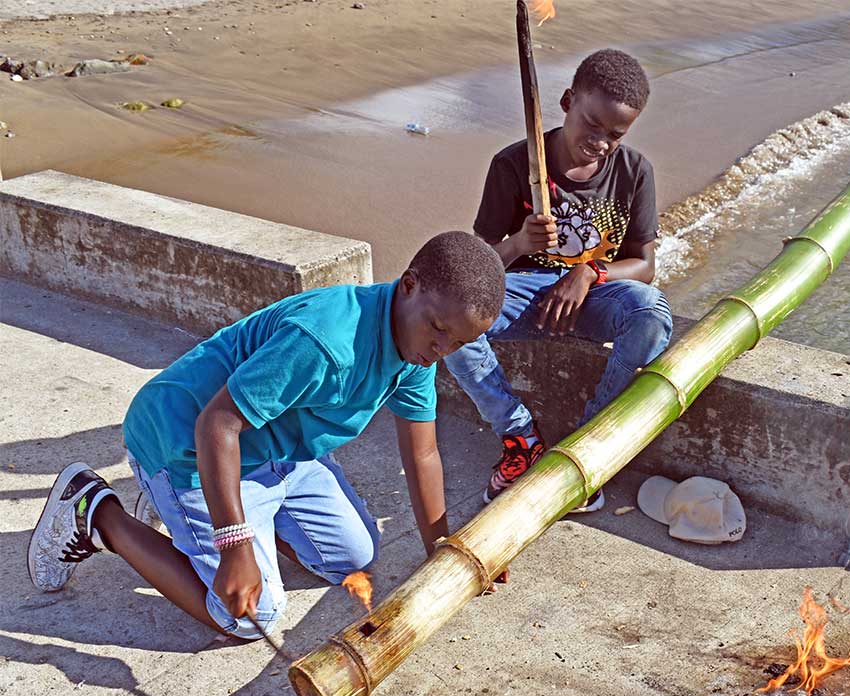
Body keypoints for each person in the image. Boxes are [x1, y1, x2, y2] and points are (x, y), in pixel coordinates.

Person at [27, 232, 506, 639]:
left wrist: (445, 551)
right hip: (186, 444)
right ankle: (97, 511)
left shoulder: (416, 350)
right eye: (439, 329)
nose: (442, 349)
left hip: (276, 453)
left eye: (459, 343)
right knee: (251, 617)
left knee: (354, 557)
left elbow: (422, 455)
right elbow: (216, 424)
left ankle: (194, 518)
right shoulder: (325, 342)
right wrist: (235, 544)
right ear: (408, 286)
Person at [445, 48, 673, 512]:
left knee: (651, 312)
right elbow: (477, 264)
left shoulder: (634, 172)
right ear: (568, 100)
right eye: (592, 124)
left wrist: (589, 272)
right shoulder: (513, 165)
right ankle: (520, 436)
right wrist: (516, 246)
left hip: (597, 297)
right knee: (449, 317)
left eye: (615, 134)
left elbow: (645, 266)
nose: (601, 142)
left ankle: (589, 444)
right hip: (525, 294)